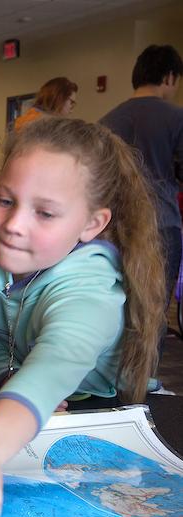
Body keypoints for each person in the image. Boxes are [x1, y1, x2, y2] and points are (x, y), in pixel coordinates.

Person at [0, 117, 165, 517]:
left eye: (45, 213)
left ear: (92, 224)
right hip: (24, 406)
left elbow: (55, 366)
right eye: (5, 200)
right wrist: (3, 375)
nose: (14, 224)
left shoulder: (89, 287)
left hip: (110, 410)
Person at [100, 45, 183, 318]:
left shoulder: (106, 121)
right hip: (162, 226)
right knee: (152, 315)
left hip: (115, 226)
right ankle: (147, 363)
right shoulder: (176, 118)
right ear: (170, 77)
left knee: (117, 308)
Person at [13, 77, 78, 131]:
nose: (71, 109)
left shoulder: (47, 121)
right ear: (59, 98)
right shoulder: (35, 123)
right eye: (71, 102)